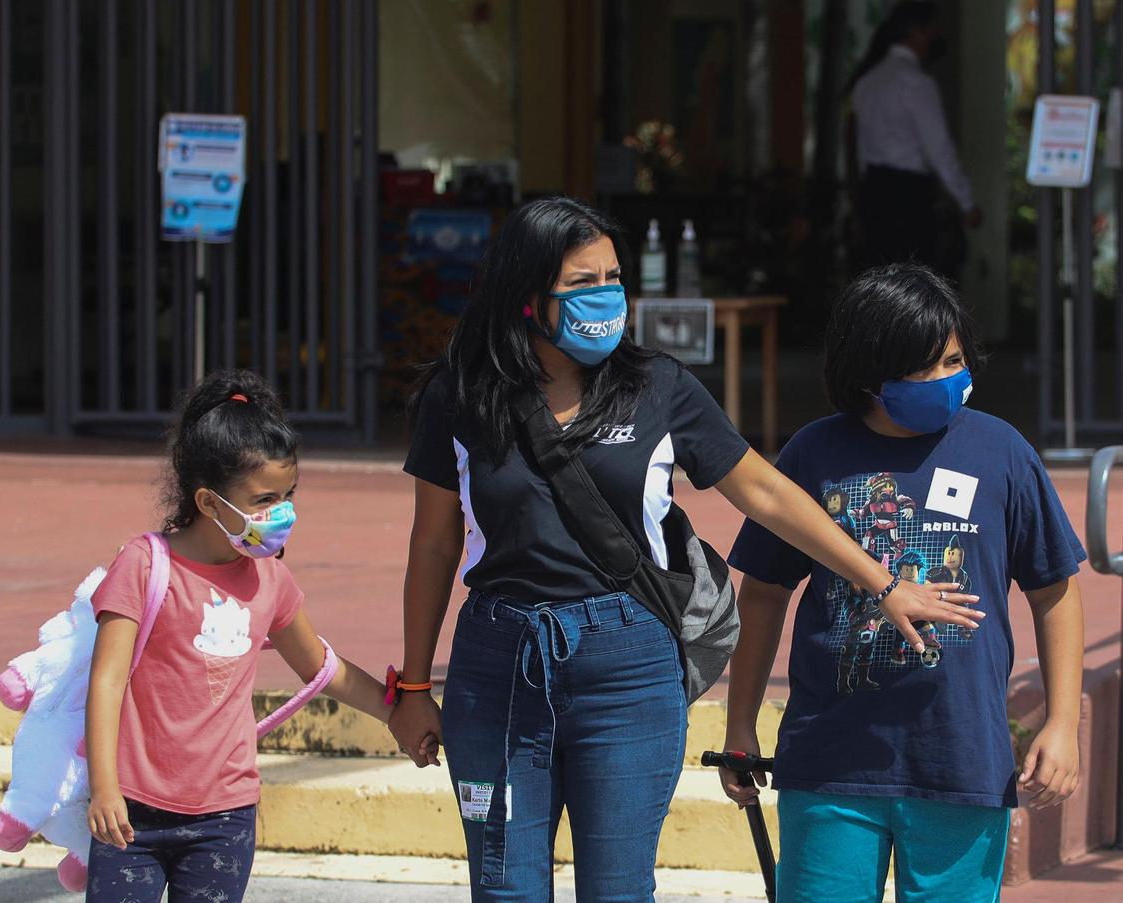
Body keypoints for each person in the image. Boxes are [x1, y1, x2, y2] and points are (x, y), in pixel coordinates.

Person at [388, 197, 979, 901]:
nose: (606, 296)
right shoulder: (461, 392)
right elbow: (433, 540)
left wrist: (882, 581)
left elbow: (764, 491)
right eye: (582, 283)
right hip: (499, 667)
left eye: (613, 277)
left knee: (619, 889)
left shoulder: (657, 386)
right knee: (504, 888)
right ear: (525, 296)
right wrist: (415, 687)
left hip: (628, 669)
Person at [721, 264, 1086, 902]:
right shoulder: (812, 454)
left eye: (953, 360)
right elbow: (764, 593)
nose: (947, 380)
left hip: (962, 763)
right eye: (924, 368)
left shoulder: (1002, 452)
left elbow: (1055, 591)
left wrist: (1062, 724)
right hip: (830, 764)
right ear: (869, 373)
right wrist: (740, 723)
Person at [84, 370, 425, 903]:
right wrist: (104, 789)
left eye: (288, 495)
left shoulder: (271, 579)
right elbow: (105, 682)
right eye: (265, 499)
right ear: (209, 503)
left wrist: (399, 711)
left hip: (226, 816)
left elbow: (322, 668)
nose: (281, 513)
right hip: (132, 813)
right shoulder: (145, 565)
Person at [848, 1, 982, 270]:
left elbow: (861, 148)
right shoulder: (916, 83)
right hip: (907, 197)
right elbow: (939, 149)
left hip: (874, 191)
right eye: (931, 28)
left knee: (879, 283)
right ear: (916, 32)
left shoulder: (866, 82)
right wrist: (966, 203)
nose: (934, 35)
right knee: (913, 287)